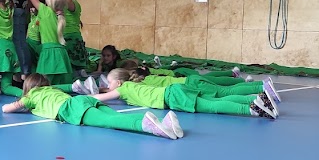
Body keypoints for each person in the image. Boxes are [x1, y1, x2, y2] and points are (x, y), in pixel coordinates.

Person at [2, 73, 180, 139]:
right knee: (115, 116)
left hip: (70, 109)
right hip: (82, 100)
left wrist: (22, 101)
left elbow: (7, 109)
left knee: (109, 121)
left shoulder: (31, 96)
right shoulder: (51, 89)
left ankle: (145, 125)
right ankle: (165, 124)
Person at [96, 68, 279, 119]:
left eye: (109, 82)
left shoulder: (123, 89)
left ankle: (252, 108)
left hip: (174, 96)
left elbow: (101, 98)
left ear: (118, 83)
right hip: (176, 90)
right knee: (220, 95)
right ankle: (258, 99)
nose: (107, 86)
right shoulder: (132, 85)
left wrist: (84, 94)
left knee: (213, 105)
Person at [17, 0, 72, 85]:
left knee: (42, 86)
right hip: (61, 53)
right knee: (61, 85)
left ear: (49, 1)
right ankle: (74, 87)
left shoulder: (44, 11)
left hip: (48, 52)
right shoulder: (63, 11)